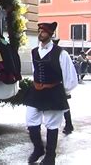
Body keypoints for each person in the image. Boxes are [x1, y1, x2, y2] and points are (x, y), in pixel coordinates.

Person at [25, 22, 78, 164]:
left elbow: (70, 76)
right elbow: (35, 70)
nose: (40, 33)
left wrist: (63, 92)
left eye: (43, 31)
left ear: (50, 34)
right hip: (36, 91)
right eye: (39, 31)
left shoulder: (61, 53)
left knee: (52, 124)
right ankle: (38, 149)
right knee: (31, 121)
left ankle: (50, 157)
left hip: (53, 91)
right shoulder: (34, 51)